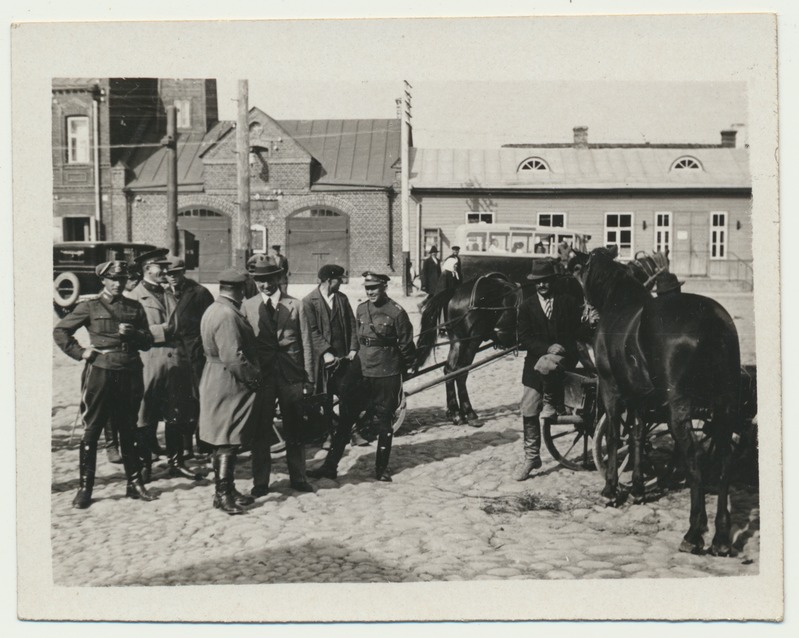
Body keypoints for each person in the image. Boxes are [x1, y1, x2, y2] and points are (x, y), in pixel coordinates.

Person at [53, 260, 156, 509]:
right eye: (112, 279)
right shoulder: (90, 306)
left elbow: (148, 341)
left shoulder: (134, 307)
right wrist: (81, 353)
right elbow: (61, 331)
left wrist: (135, 335)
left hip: (130, 371)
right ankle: (85, 489)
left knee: (129, 428)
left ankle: (134, 484)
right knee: (93, 429)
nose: (117, 283)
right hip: (101, 372)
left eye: (121, 279)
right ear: (103, 280)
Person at [308, 272, 415, 482]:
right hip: (361, 370)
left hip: (386, 371)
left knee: (384, 421)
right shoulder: (361, 309)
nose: (370, 292)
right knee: (346, 419)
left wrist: (407, 368)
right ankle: (330, 466)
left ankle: (381, 468)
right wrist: (353, 353)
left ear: (384, 286)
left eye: (375, 287)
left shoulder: (396, 313)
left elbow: (406, 345)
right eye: (368, 288)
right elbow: (357, 338)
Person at [128, 248, 203, 483]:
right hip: (150, 361)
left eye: (164, 266)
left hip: (176, 361)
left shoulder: (169, 292)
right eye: (159, 266)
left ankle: (176, 462)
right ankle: (144, 465)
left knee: (176, 414)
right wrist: (162, 331)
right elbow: (132, 333)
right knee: (146, 414)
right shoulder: (134, 297)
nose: (165, 270)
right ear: (146, 269)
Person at [242, 256, 315, 497]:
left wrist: (309, 379)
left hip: (291, 375)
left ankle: (299, 477)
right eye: (260, 281)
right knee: (261, 431)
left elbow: (306, 343)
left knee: (295, 428)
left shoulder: (296, 305)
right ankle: (261, 482)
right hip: (262, 378)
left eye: (270, 279)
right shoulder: (248, 306)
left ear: (279, 278)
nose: (266, 285)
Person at [198, 269, 262, 515]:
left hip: (215, 376)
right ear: (241, 289)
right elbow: (233, 357)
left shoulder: (215, 309)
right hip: (228, 380)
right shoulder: (227, 314)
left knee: (223, 436)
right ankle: (222, 494)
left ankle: (228, 488)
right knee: (227, 438)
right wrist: (253, 377)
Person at [515, 260, 582, 481]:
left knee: (549, 363)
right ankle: (531, 457)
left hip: (563, 359)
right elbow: (524, 338)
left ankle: (553, 403)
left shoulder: (567, 302)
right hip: (535, 363)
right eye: (538, 282)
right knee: (528, 407)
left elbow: (576, 331)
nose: (542, 285)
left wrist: (560, 347)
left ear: (552, 281)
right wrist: (546, 348)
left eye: (546, 281)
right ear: (534, 283)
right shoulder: (526, 306)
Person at [300, 264, 361, 456]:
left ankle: (352, 431)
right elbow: (312, 331)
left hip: (343, 358)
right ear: (329, 281)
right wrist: (325, 352)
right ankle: (328, 434)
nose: (342, 282)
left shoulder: (342, 299)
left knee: (348, 395)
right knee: (325, 398)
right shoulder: (309, 302)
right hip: (323, 362)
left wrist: (353, 348)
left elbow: (352, 325)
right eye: (339, 279)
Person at [164, 257, 215, 459]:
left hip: (196, 354)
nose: (172, 278)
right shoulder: (164, 294)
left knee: (200, 399)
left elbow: (209, 323)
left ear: (183, 271)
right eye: (169, 274)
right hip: (173, 356)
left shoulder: (199, 293)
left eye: (176, 273)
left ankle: (204, 443)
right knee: (181, 401)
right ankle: (185, 447)